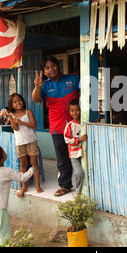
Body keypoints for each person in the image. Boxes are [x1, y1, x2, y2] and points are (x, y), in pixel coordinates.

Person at [32, 56, 80, 197]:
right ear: (44, 72)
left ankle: (85, 185)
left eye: (53, 65)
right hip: (57, 126)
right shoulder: (45, 85)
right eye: (47, 68)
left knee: (80, 155)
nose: (51, 69)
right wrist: (37, 87)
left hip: (76, 125)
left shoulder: (73, 79)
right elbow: (36, 99)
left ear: (58, 65)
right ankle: (65, 185)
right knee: (62, 157)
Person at [0, 145, 35, 247]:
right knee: (4, 233)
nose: (5, 152)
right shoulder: (7, 171)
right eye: (3, 151)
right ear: (2, 158)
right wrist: (32, 170)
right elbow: (22, 178)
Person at [1, 93, 43, 197]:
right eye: (14, 102)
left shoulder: (28, 112)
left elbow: (34, 125)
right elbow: (16, 128)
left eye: (19, 100)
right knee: (23, 164)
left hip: (31, 140)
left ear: (23, 101)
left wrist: (21, 121)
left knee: (34, 163)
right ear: (11, 105)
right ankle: (24, 186)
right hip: (20, 143)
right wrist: (11, 118)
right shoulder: (12, 115)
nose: (18, 103)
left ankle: (38, 185)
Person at [64, 99, 87, 195]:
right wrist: (79, 139)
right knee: (78, 173)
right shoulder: (70, 125)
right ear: (69, 111)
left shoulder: (84, 123)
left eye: (77, 110)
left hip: (84, 153)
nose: (75, 112)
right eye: (72, 110)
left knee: (87, 172)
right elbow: (67, 139)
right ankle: (78, 192)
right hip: (74, 154)